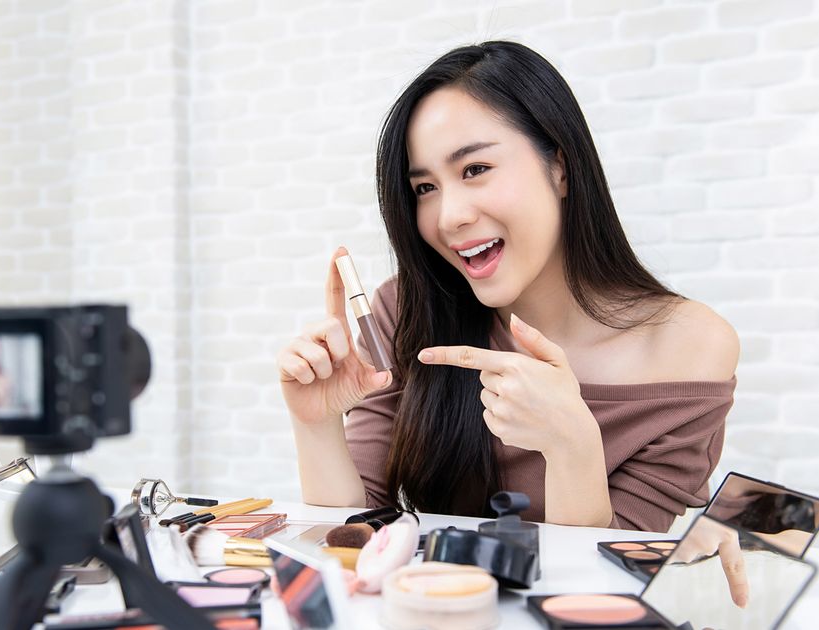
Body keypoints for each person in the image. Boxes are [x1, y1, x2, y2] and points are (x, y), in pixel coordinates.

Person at [276, 41, 739, 532]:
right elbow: (355, 533)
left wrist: (571, 447)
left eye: (475, 170)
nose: (449, 217)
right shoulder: (407, 309)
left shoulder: (690, 347)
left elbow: (610, 572)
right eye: (425, 188)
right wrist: (317, 425)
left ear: (560, 167)